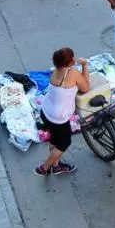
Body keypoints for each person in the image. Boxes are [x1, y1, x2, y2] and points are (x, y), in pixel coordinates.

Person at [36, 48, 89, 176]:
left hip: (46, 111)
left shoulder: (55, 71)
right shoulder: (73, 73)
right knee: (64, 143)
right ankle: (44, 168)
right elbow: (86, 88)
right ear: (70, 62)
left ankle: (56, 166)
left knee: (54, 140)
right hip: (58, 118)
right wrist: (85, 65)